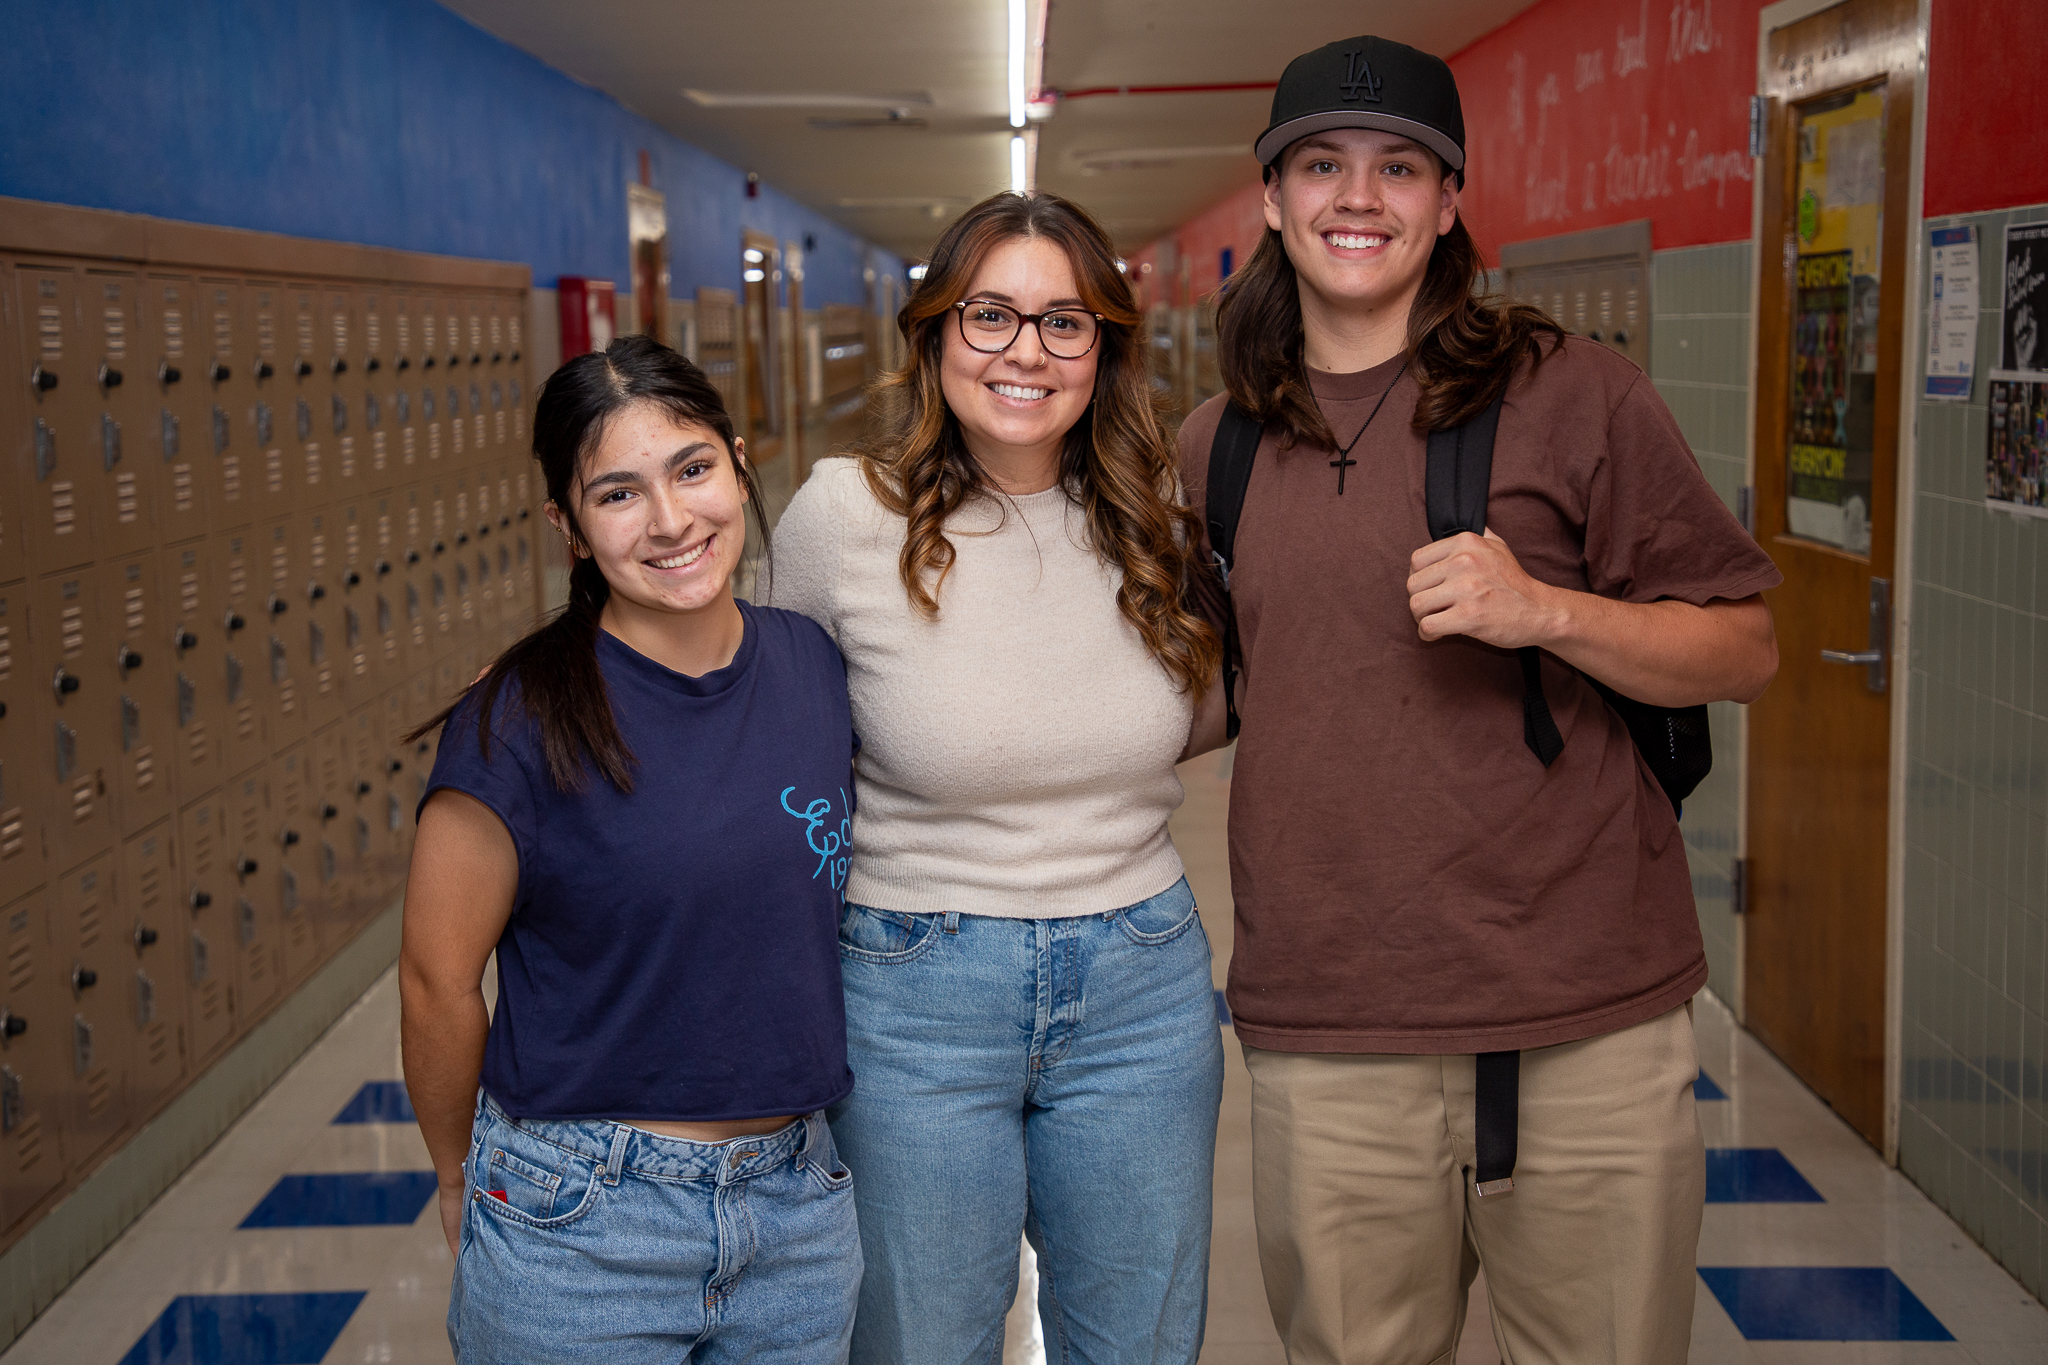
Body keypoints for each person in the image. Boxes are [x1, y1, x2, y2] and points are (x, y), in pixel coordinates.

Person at [1176, 36, 1782, 1364]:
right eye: (1322, 164)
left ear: (1450, 200)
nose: (1359, 197)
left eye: (1401, 167)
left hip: (1588, 1023)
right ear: (1272, 196)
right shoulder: (1215, 446)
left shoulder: (1577, 396)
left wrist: (1546, 611)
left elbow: (1743, 649)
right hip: (1332, 1025)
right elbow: (1205, 690)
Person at [769, 191, 1224, 1365]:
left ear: (1103, 349)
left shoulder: (1154, 514)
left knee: (1138, 1344)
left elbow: (1196, 701)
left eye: (1063, 323)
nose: (1025, 351)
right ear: (933, 337)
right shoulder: (840, 518)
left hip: (1141, 983)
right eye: (989, 316)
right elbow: (772, 747)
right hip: (911, 992)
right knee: (921, 1343)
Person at [399, 335, 861, 1364]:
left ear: (740, 464)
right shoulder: (516, 721)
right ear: (568, 527)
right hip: (583, 1224)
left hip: (797, 1212)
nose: (670, 520)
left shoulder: (812, 666)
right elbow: (437, 982)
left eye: (692, 469)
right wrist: (452, 1173)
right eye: (617, 494)